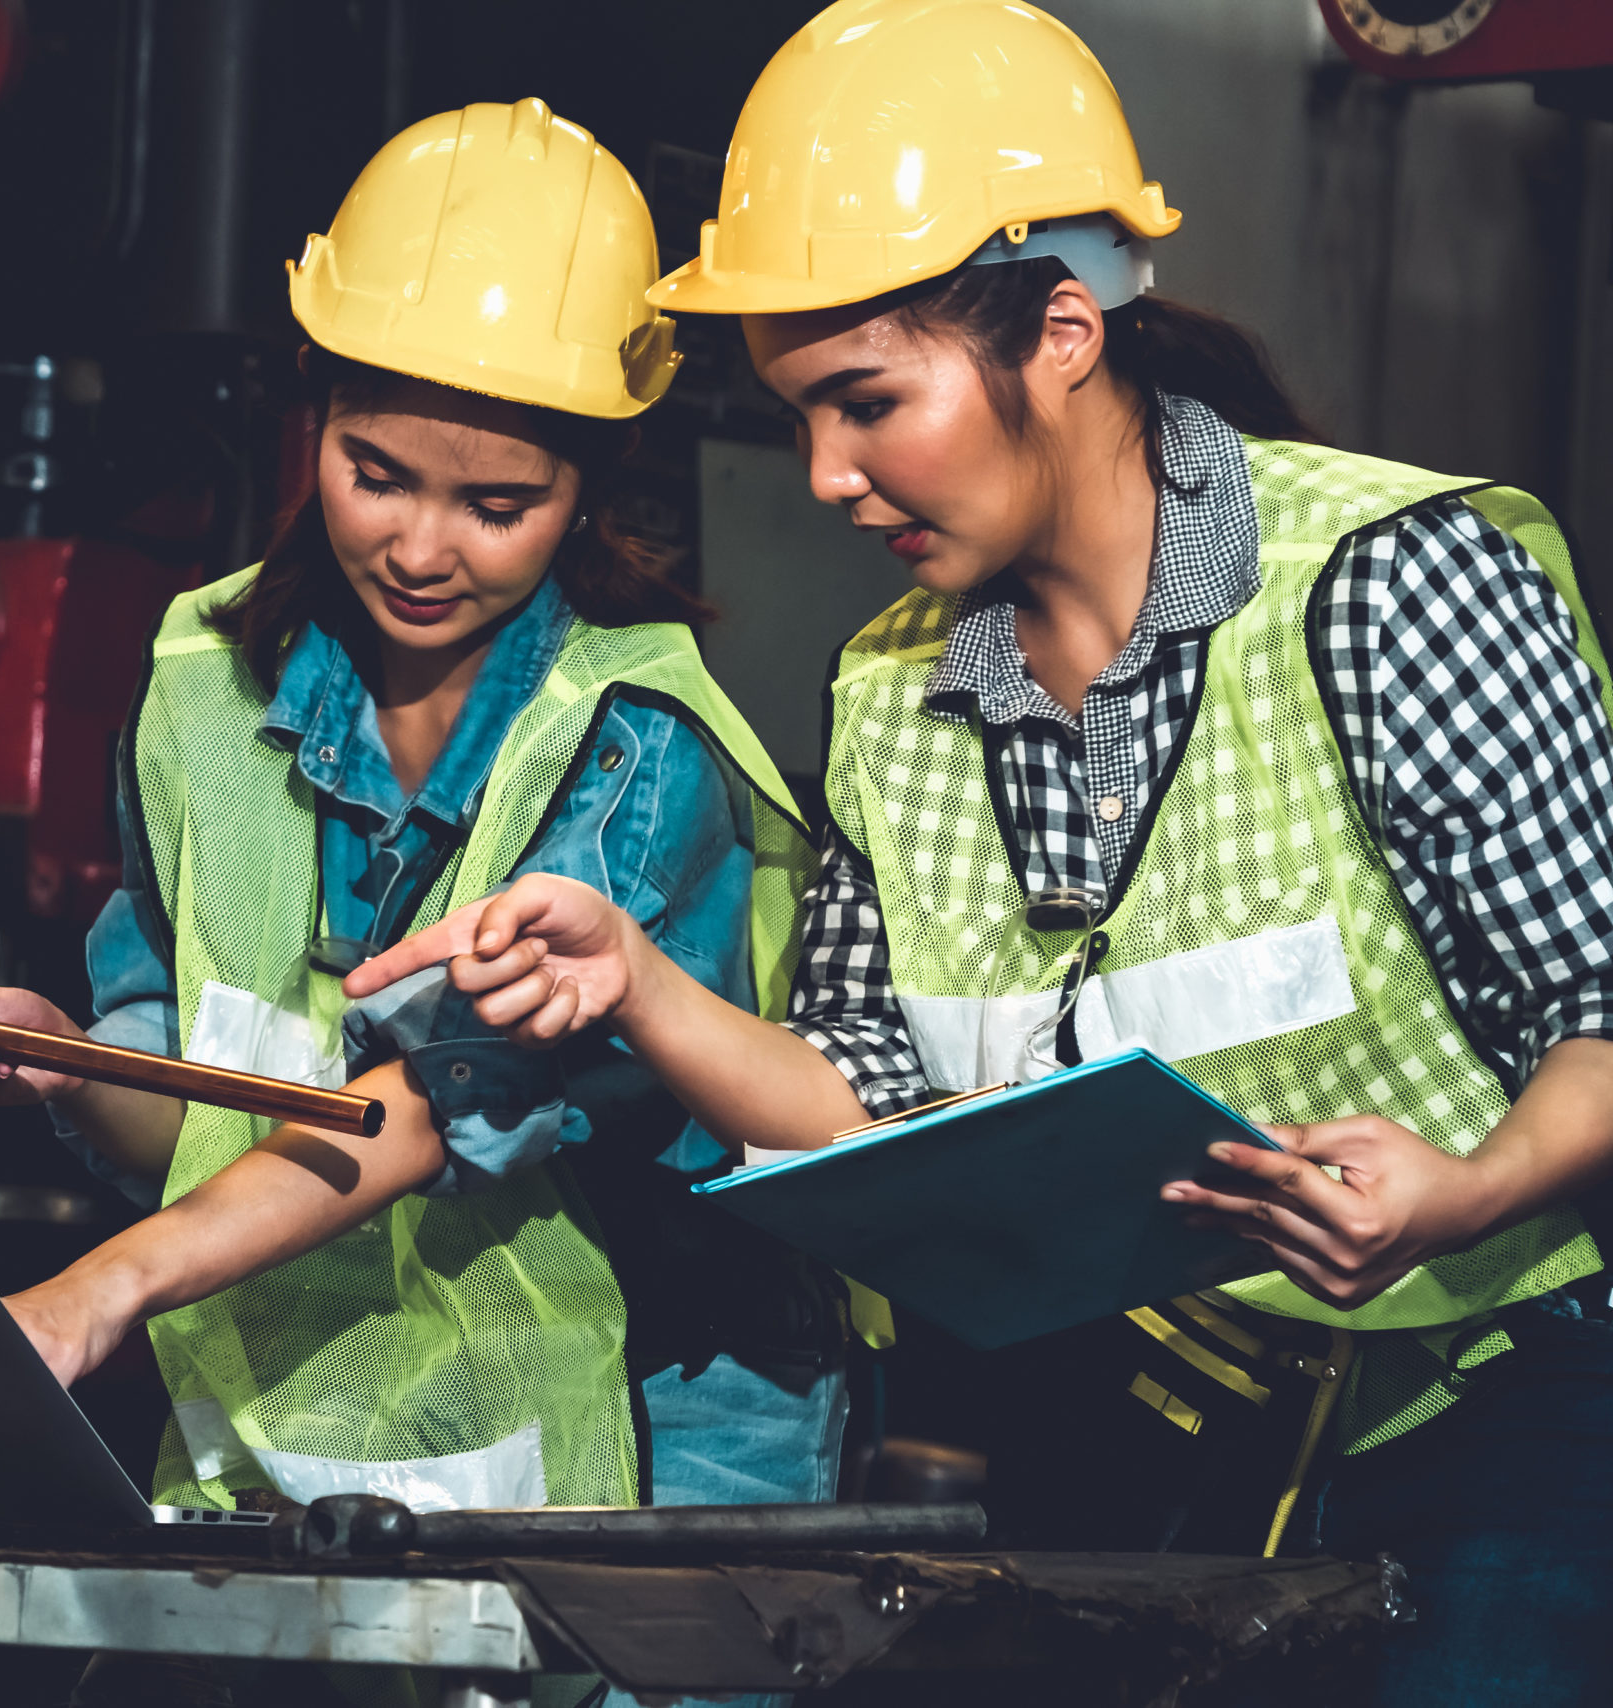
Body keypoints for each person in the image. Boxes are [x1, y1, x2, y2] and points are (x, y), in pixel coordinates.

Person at [344, 3, 1613, 1703]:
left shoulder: (1387, 583)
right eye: (799, 416)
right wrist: (637, 985)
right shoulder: (888, 690)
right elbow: (867, 1104)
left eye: (866, 402)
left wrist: (1471, 1189)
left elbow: (1597, 1009)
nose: (827, 474)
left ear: (1065, 330)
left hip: (1510, 1407)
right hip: (1159, 1442)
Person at [0, 99, 843, 1548]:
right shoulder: (203, 684)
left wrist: (105, 1286)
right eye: (374, 472)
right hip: (344, 1373)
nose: (418, 547)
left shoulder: (636, 742)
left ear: (589, 495)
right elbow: (193, 1118)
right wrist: (61, 1065)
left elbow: (432, 1109)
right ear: (310, 415)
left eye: (496, 503)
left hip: (665, 1394)